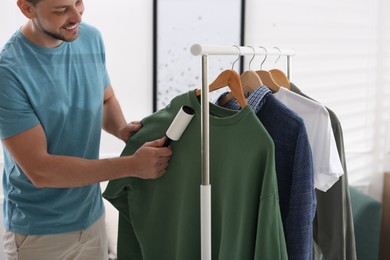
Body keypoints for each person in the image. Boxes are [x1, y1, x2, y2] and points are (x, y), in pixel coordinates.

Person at [0, 0, 172, 259]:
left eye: (78, 2)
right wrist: (132, 166)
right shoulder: (8, 73)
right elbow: (40, 170)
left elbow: (104, 99)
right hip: (36, 233)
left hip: (92, 218)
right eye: (61, 9)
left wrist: (122, 129)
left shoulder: (90, 38)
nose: (76, 15)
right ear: (27, 8)